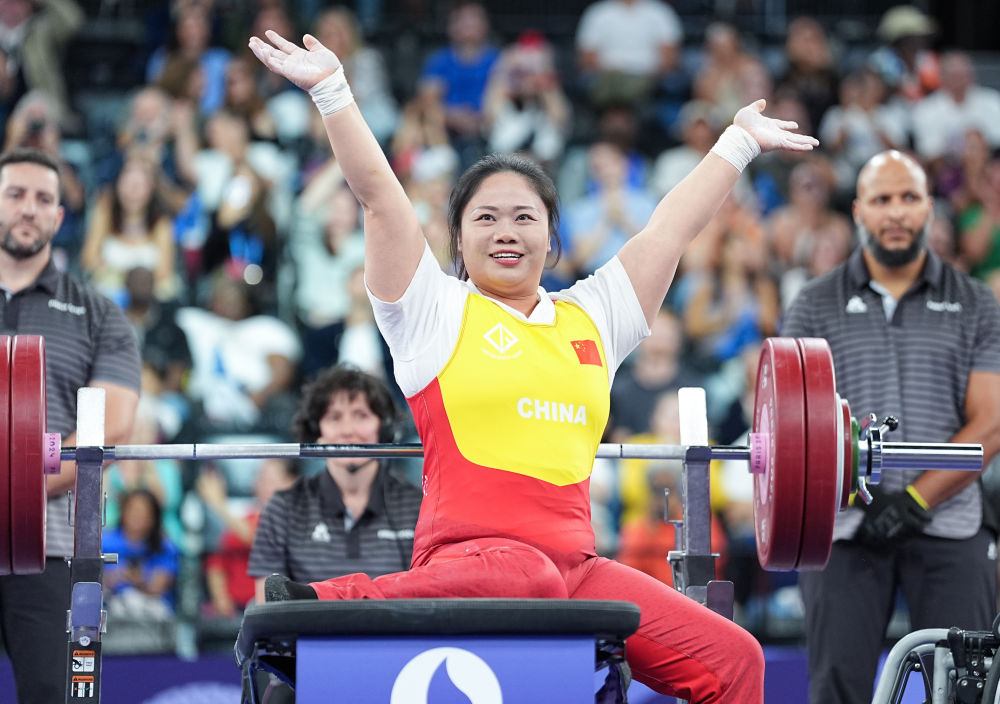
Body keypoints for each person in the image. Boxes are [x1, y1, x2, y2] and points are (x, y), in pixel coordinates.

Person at [248, 28, 817, 702]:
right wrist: (332, 91)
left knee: (735, 657)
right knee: (529, 574)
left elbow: (670, 229)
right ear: (457, 240)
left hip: (574, 570)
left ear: (552, 238)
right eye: (485, 218)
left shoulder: (594, 315)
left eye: (524, 218)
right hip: (472, 563)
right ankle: (323, 608)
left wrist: (740, 141)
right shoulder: (432, 309)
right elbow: (379, 196)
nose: (506, 232)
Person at [781, 149, 1000, 704]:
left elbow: (992, 422)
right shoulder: (814, 304)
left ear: (929, 207)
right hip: (843, 530)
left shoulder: (976, 302)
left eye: (909, 198)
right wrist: (858, 496)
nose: (896, 212)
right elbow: (793, 427)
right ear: (859, 211)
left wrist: (916, 502)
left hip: (951, 524)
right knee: (837, 688)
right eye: (882, 200)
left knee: (967, 693)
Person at [0, 148, 141, 703]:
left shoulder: (98, 314)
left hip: (52, 547)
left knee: (51, 695)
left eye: (43, 199)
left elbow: (110, 430)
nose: (28, 209)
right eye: (15, 194)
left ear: (59, 217)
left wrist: (16, 486)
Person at [248, 366, 423, 601]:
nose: (348, 430)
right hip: (306, 627)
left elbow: (428, 601)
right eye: (334, 417)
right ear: (316, 430)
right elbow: (267, 607)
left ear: (384, 428)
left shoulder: (418, 507)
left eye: (361, 415)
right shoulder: (283, 508)